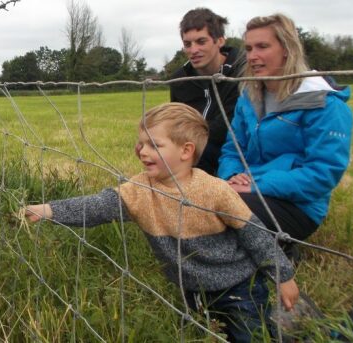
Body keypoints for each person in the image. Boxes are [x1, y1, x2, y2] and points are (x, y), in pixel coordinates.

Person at [23, 102, 299, 342]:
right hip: (190, 289)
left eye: (154, 145)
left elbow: (255, 235)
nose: (142, 151)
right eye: (141, 143)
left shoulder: (215, 190)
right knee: (204, 333)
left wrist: (283, 276)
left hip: (239, 287)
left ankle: (294, 328)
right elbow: (97, 207)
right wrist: (49, 210)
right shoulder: (139, 190)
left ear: (185, 150)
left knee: (250, 335)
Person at [218, 14, 353, 246]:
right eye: (249, 48)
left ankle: (281, 253)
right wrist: (231, 176)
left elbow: (322, 173)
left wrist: (255, 185)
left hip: (298, 205)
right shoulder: (248, 98)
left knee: (219, 212)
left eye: (263, 46)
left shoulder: (324, 103)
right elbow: (233, 149)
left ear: (287, 49)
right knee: (197, 203)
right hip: (244, 189)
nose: (252, 56)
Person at [170, 8, 244, 176]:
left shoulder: (241, 71)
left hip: (233, 154)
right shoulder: (180, 80)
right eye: (187, 44)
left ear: (220, 40)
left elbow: (230, 125)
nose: (193, 50)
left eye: (201, 41)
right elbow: (176, 122)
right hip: (191, 153)